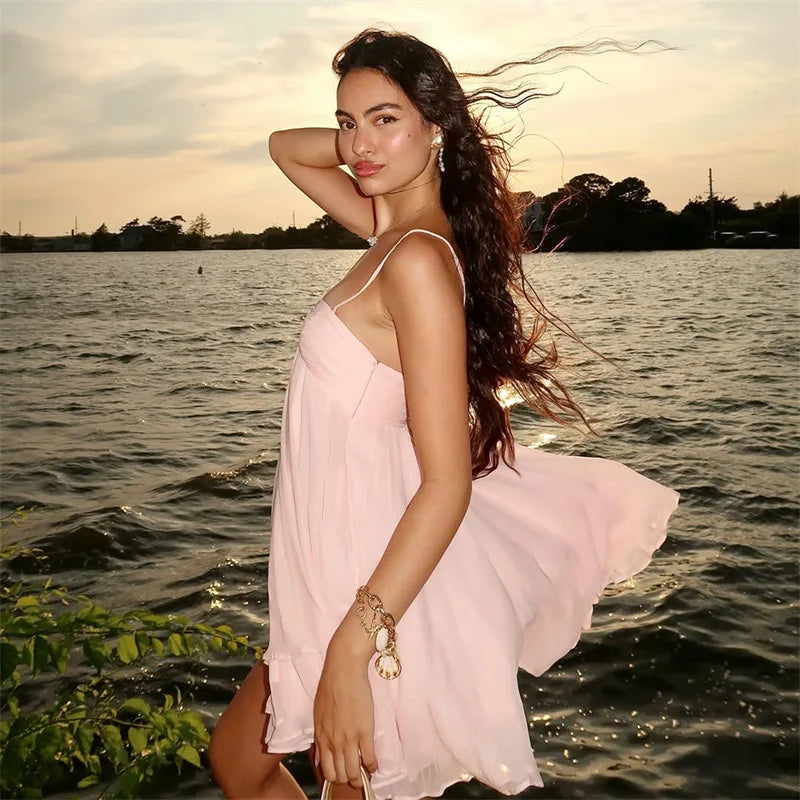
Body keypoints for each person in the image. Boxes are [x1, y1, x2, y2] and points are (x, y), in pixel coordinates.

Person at [209, 28, 681, 800]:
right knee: (240, 763)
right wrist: (385, 139)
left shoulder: (419, 261)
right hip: (329, 567)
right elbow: (282, 146)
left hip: (365, 590)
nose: (356, 143)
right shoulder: (390, 235)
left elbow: (447, 482)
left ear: (439, 127)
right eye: (347, 119)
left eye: (384, 118)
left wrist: (350, 650)